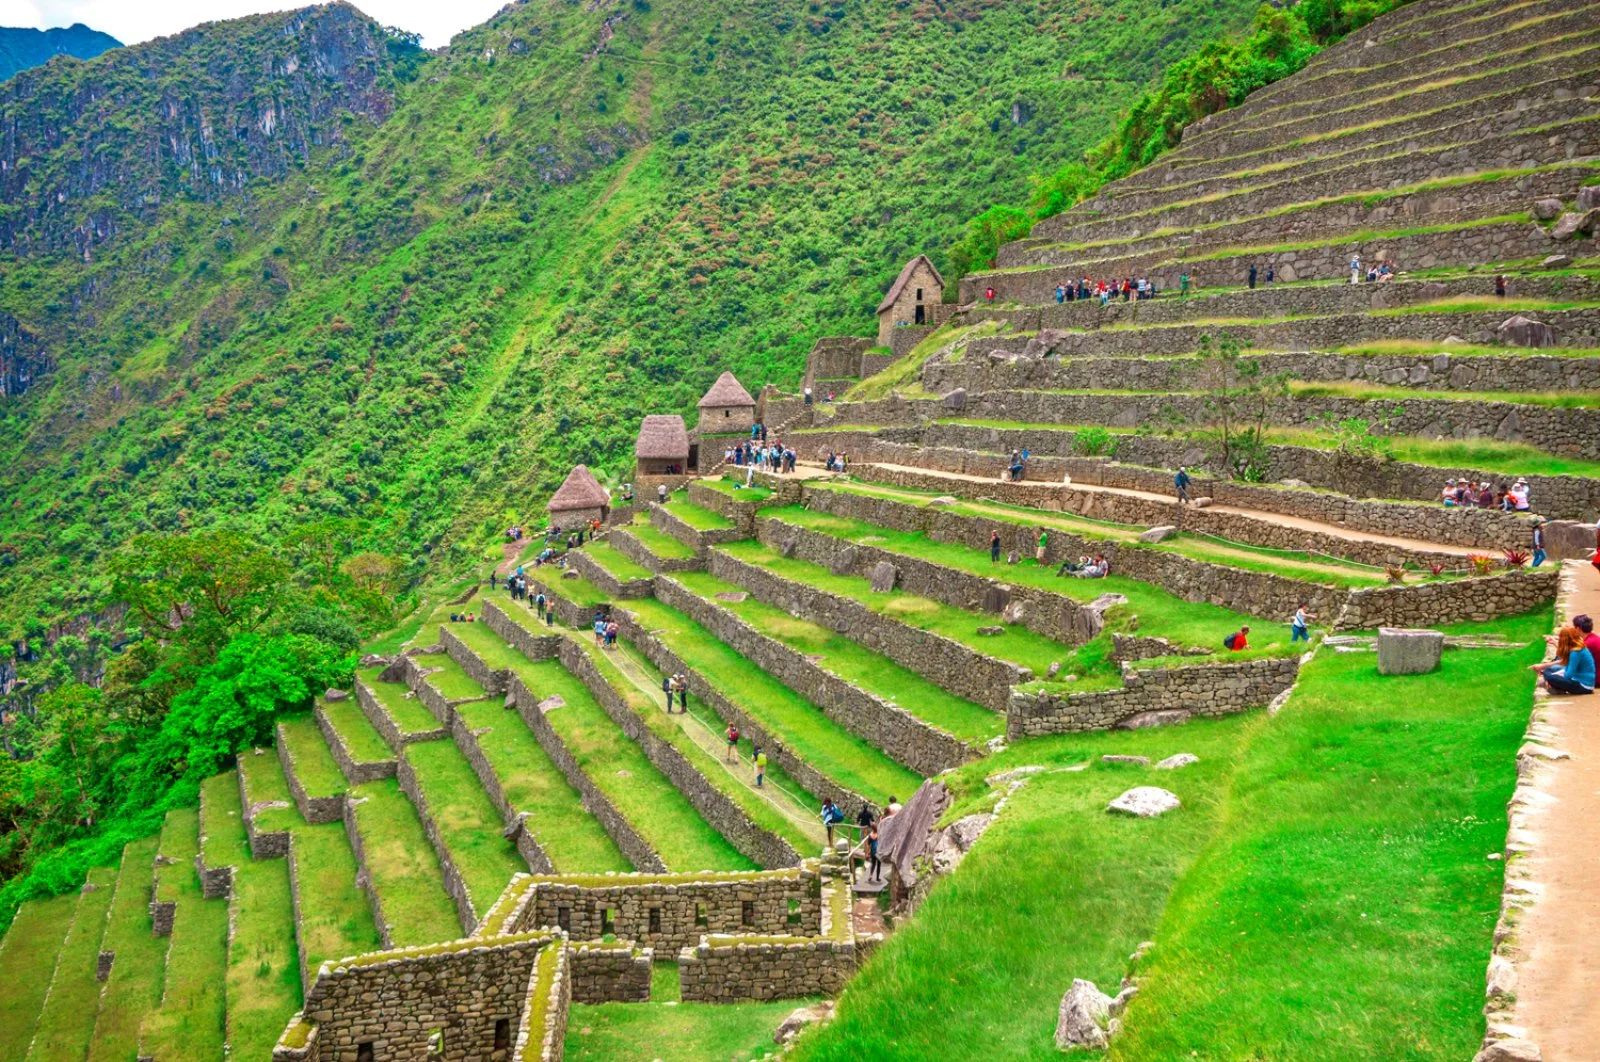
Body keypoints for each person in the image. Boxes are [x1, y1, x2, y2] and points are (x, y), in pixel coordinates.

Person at [1533, 625, 1594, 695]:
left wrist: (1555, 675)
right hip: (1581, 680)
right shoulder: (1578, 647)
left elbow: (1569, 675)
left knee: (1548, 675)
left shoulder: (1575, 653)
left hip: (1583, 686)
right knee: (1549, 671)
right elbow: (1567, 663)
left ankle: (1556, 687)